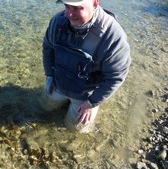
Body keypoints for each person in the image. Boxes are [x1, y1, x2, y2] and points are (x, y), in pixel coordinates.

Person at [39, 0, 131, 133]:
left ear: (94, 3)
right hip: (58, 84)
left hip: (85, 96)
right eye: (67, 6)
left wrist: (91, 103)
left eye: (77, 8)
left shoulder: (113, 36)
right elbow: (48, 48)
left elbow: (115, 77)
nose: (70, 14)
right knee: (43, 107)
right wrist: (49, 75)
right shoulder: (57, 21)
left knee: (75, 130)